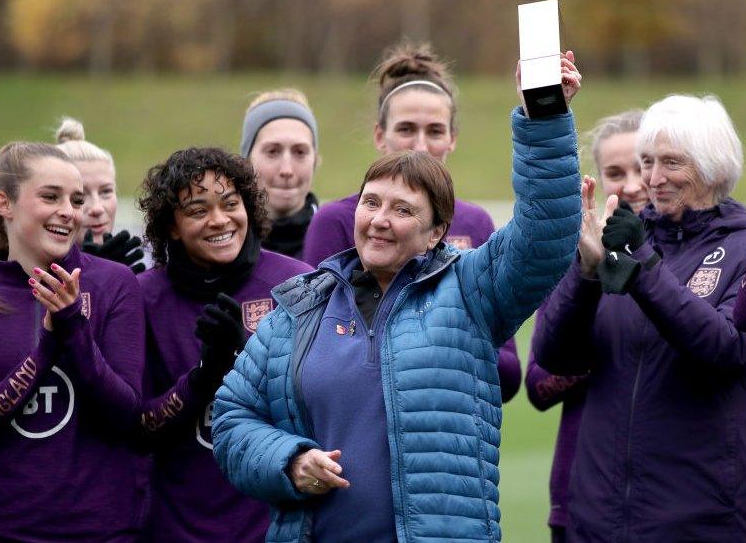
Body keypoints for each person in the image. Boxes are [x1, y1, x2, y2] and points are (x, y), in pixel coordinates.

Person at [211, 57, 582, 542]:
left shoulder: (470, 291)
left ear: (436, 235)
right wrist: (288, 461)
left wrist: (544, 117)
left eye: (403, 209)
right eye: (371, 202)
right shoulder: (301, 308)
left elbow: (543, 236)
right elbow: (232, 418)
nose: (380, 219)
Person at [532, 94, 746, 540]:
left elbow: (729, 347)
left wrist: (643, 265)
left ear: (713, 166)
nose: (653, 178)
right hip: (600, 519)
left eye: (671, 162)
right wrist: (586, 274)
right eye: (647, 161)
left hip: (703, 520)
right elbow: (555, 356)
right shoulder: (619, 241)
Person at [301, 42, 521, 401]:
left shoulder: (476, 223)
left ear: (452, 139)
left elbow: (509, 376)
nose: (420, 145)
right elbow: (308, 352)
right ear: (379, 136)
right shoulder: (338, 221)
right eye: (406, 129)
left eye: (434, 131)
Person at [135, 147, 312, 542]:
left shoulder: (298, 284)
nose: (219, 220)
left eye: (231, 204)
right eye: (198, 211)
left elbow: (319, 409)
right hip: (175, 528)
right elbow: (139, 427)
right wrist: (203, 377)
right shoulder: (143, 298)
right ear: (172, 227)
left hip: (273, 527)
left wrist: (241, 363)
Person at [0, 142, 146, 540]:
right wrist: (45, 350)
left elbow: (128, 414)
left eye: (74, 200)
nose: (69, 211)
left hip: (103, 529)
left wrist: (73, 327)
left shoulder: (113, 283)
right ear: (5, 203)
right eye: (50, 196)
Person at [524, 108, 644, 543]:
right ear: (596, 181)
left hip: (670, 494)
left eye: (642, 166)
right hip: (580, 493)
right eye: (615, 172)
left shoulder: (697, 256)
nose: (631, 184)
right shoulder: (571, 259)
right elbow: (537, 385)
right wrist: (615, 350)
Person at [54, 117, 145, 272]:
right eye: (80, 197)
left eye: (106, 191)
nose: (97, 208)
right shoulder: (30, 275)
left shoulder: (138, 270)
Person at [241, 88, 320, 259]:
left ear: (315, 161)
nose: (287, 170)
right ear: (246, 163)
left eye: (300, 152)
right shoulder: (222, 246)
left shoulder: (342, 241)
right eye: (272, 152)